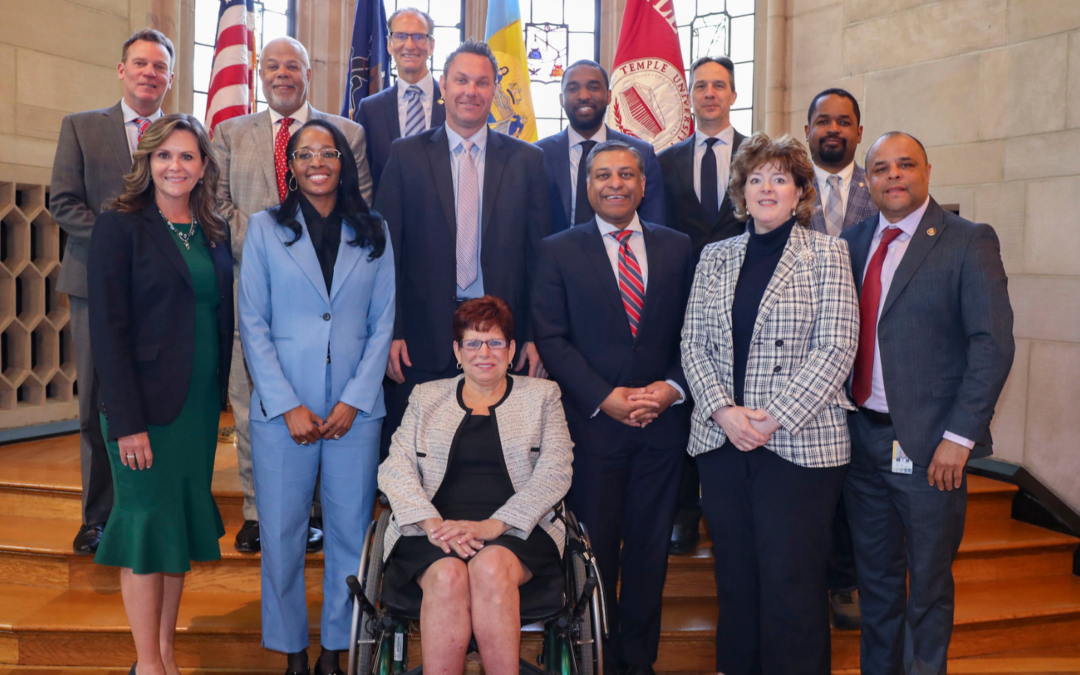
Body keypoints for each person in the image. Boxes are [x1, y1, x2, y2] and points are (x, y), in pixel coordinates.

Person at [681, 132, 859, 675]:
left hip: (799, 446)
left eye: (779, 177)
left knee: (792, 583)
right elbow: (692, 342)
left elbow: (838, 344)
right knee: (736, 580)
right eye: (755, 178)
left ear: (801, 190)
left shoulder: (828, 252)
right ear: (741, 190)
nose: (766, 187)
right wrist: (723, 413)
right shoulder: (715, 256)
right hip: (723, 443)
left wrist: (772, 418)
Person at [840, 132, 1014, 675]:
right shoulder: (850, 241)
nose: (893, 175)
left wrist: (959, 440)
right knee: (876, 584)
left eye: (905, 165)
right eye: (881, 168)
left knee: (928, 586)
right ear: (866, 181)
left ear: (927, 171)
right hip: (861, 444)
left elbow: (992, 343)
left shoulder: (967, 239)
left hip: (932, 450)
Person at [238, 119, 394, 675]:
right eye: (305, 154)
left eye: (327, 152)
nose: (317, 162)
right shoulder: (263, 228)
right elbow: (252, 322)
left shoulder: (372, 228)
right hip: (285, 412)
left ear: (342, 163)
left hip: (355, 411)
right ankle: (292, 652)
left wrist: (355, 399)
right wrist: (286, 403)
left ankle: (335, 648)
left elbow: (382, 323)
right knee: (281, 534)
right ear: (292, 166)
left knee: (350, 535)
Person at [533, 140, 693, 675]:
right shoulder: (558, 249)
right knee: (592, 551)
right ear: (588, 185)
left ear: (644, 185)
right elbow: (552, 338)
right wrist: (606, 397)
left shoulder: (679, 248)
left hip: (662, 428)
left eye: (627, 174)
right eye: (603, 174)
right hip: (593, 428)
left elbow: (697, 334)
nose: (616, 183)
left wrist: (670, 387)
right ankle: (592, 656)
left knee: (649, 553)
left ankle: (637, 661)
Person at [213, 36, 373, 554]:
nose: (283, 73)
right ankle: (261, 511)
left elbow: (361, 206)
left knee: (326, 399)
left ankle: (319, 511)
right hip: (253, 293)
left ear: (310, 69)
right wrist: (273, 243)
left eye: (293, 65)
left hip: (331, 299)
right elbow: (214, 206)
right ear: (260, 72)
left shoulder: (346, 132)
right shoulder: (230, 132)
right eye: (273, 65)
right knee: (253, 398)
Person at [87, 113, 234, 675]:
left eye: (187, 157)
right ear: (147, 163)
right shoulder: (120, 225)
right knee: (148, 528)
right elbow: (108, 330)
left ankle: (166, 654)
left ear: (202, 168)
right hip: (142, 409)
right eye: (165, 156)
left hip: (195, 409)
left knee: (175, 532)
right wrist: (126, 421)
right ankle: (147, 665)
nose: (176, 166)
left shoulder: (211, 229)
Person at [375, 39, 552, 459]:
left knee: (496, 458)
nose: (471, 91)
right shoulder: (406, 156)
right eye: (461, 80)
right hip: (420, 336)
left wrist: (533, 336)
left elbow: (540, 260)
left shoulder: (528, 161)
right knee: (422, 456)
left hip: (502, 337)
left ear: (494, 91)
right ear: (442, 86)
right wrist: (392, 332)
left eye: (482, 82)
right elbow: (384, 255)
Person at [379, 296, 573, 675]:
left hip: (520, 531)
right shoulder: (426, 396)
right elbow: (394, 468)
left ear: (511, 348)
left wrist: (493, 526)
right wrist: (433, 525)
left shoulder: (542, 396)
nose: (484, 352)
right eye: (472, 342)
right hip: (433, 532)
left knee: (488, 566)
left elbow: (555, 472)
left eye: (495, 342)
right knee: (449, 575)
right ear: (457, 349)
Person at [50, 28, 175, 556]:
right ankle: (97, 516)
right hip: (94, 286)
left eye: (160, 67)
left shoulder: (181, 134)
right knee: (97, 404)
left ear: (169, 78)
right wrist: (117, 246)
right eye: (141, 64)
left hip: (164, 292)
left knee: (160, 396)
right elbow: (63, 202)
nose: (150, 73)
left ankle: (153, 504)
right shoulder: (80, 128)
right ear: (122, 70)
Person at [656, 56, 746, 555]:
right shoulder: (665, 159)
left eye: (719, 85)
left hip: (741, 299)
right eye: (701, 86)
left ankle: (727, 506)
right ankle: (685, 511)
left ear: (733, 94)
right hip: (679, 300)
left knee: (733, 395)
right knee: (686, 398)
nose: (710, 93)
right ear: (690, 95)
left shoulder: (758, 155)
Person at [804, 87, 879, 630]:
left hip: (868, 355)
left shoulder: (881, 188)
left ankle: (846, 579)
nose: (833, 129)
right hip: (801, 357)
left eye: (844, 122)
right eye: (822, 121)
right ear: (807, 130)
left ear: (858, 130)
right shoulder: (783, 185)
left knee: (855, 479)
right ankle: (811, 578)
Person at [534, 59, 665, 232]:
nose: (584, 96)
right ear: (561, 99)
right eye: (573, 89)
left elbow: (654, 226)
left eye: (593, 87)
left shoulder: (642, 153)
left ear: (609, 95)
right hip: (553, 256)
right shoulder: (537, 155)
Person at [356, 7, 446, 195]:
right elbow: (362, 176)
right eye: (401, 36)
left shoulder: (454, 103)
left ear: (431, 45)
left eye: (419, 37)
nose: (410, 45)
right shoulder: (370, 109)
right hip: (387, 220)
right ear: (389, 44)